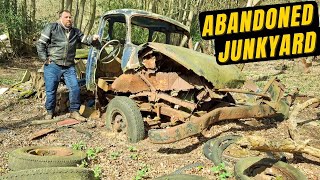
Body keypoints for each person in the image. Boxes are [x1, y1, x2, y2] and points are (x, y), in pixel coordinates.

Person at [36, 10, 99, 120]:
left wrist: (93, 38)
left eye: (70, 17)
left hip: (69, 66)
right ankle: (50, 112)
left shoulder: (75, 32)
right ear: (60, 18)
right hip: (53, 65)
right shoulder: (52, 27)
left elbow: (86, 39)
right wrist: (45, 59)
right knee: (51, 90)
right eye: (66, 17)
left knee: (75, 89)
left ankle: (74, 111)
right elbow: (41, 43)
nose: (69, 19)